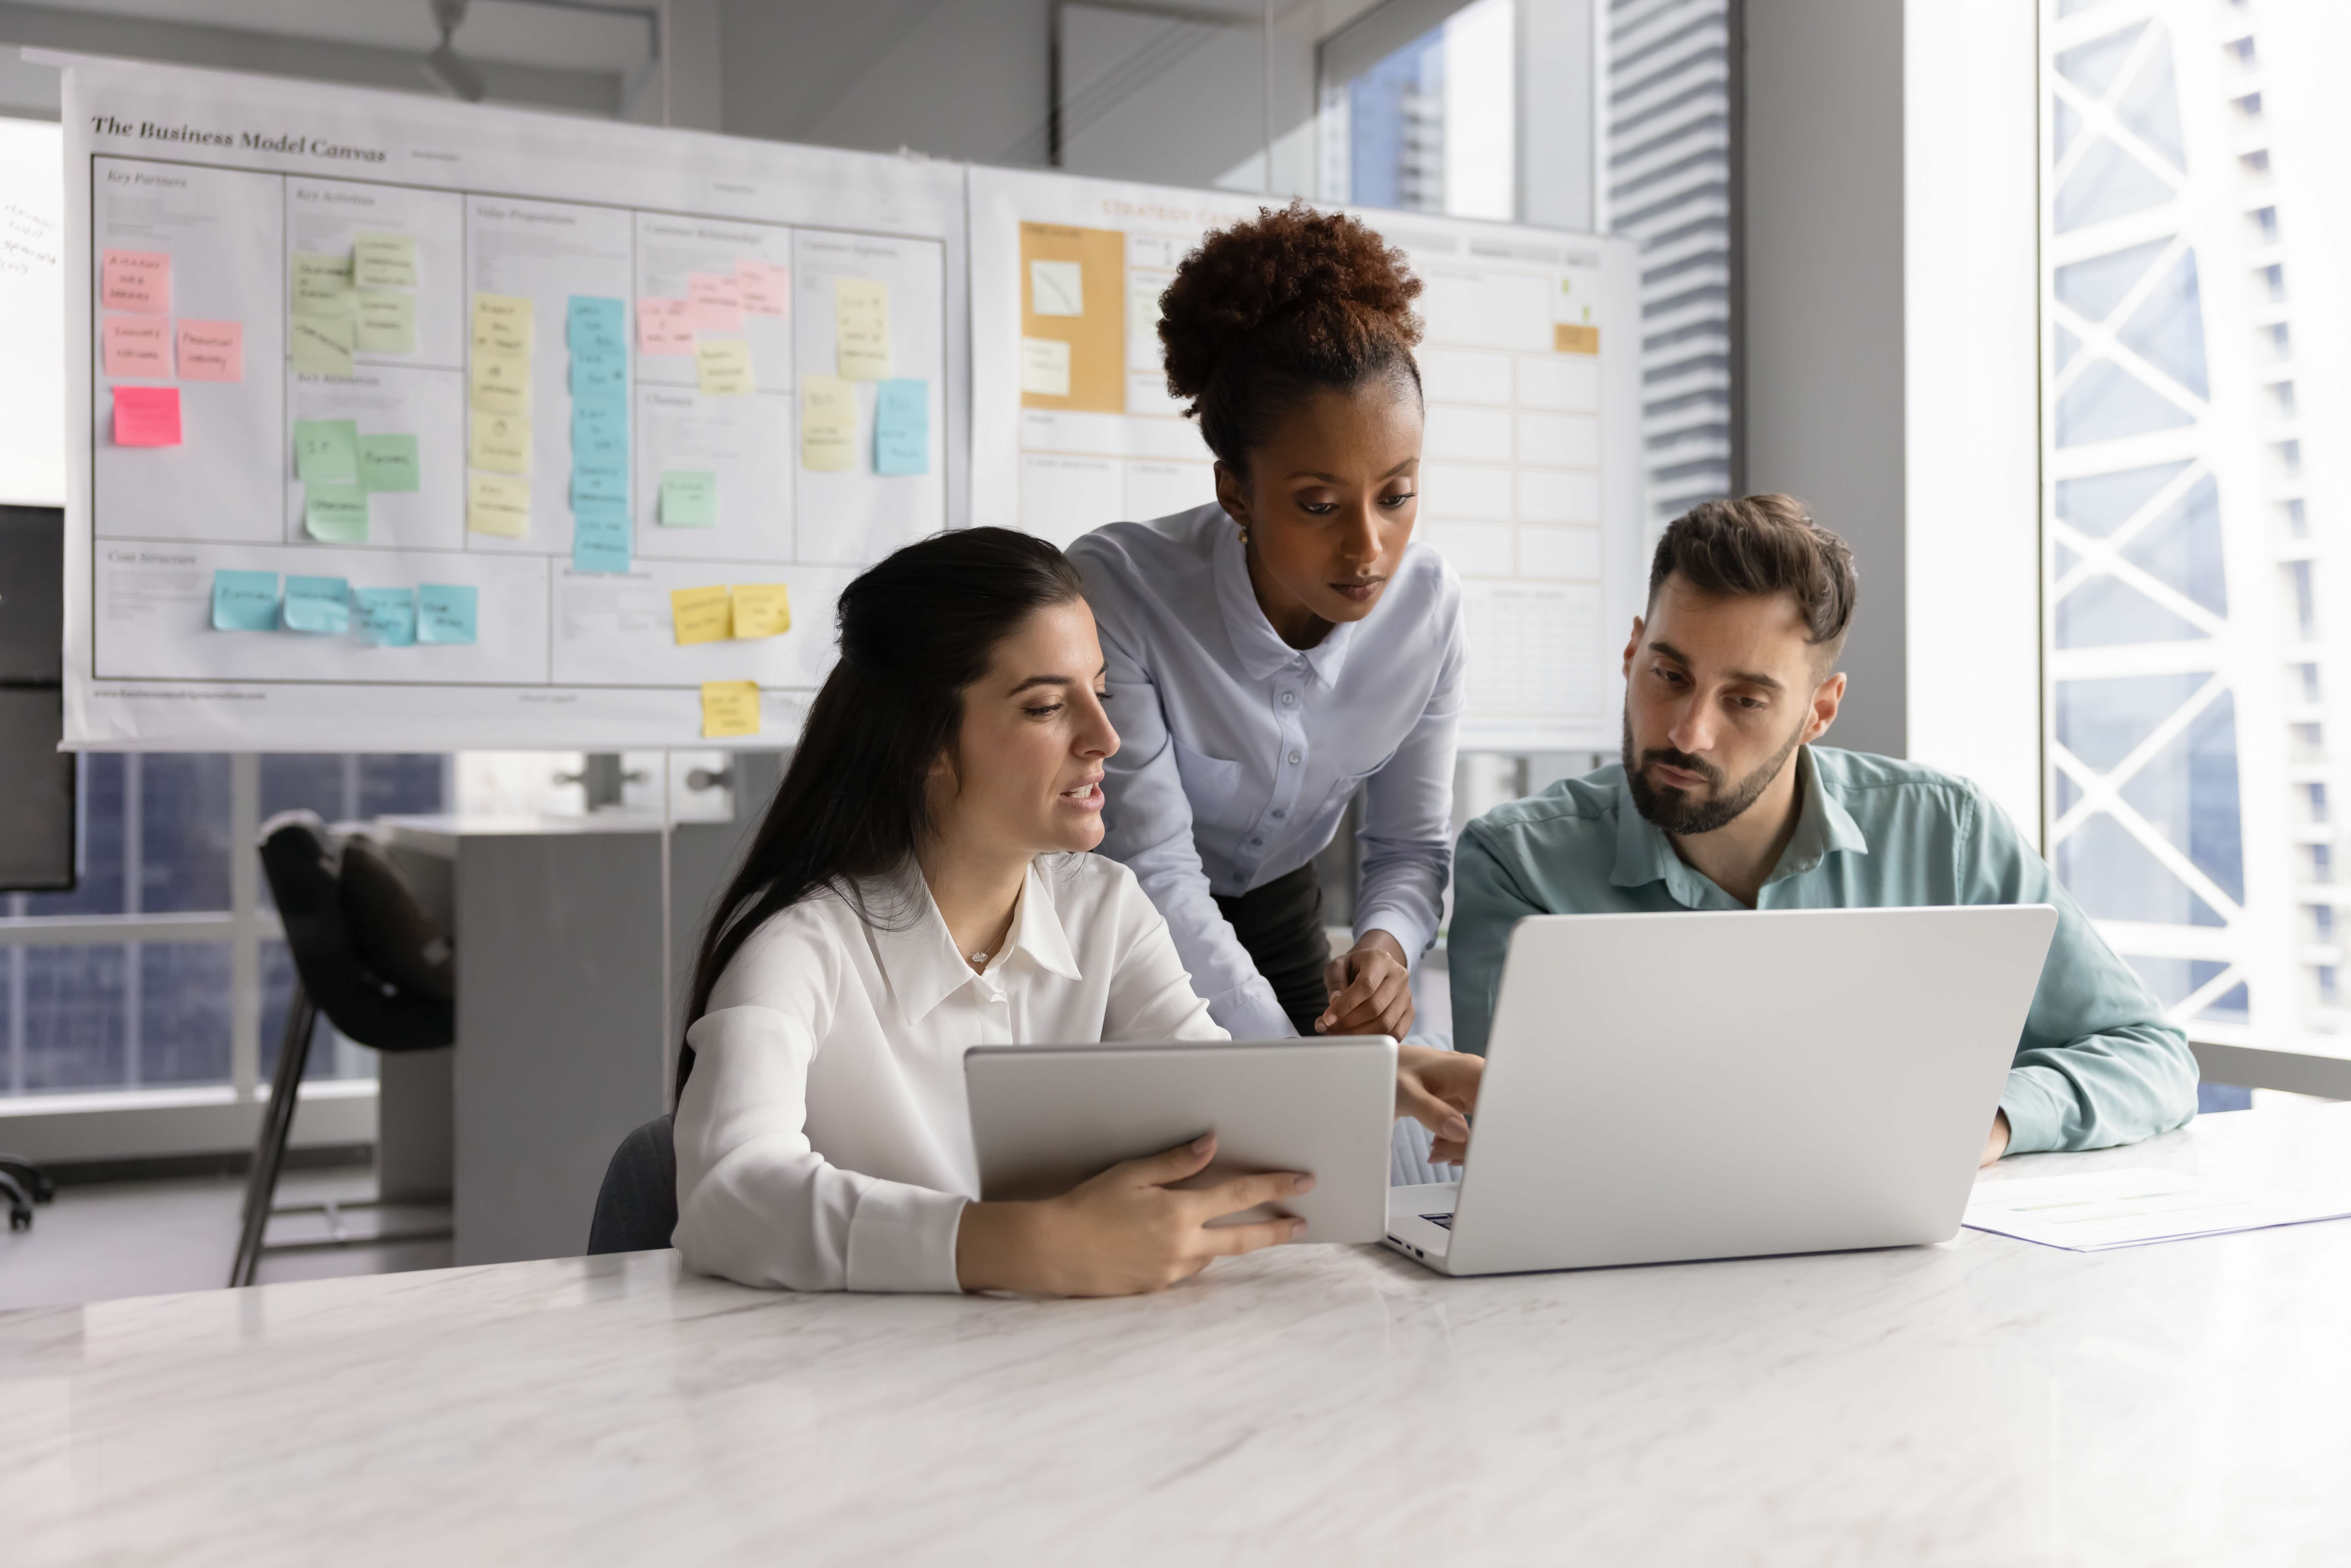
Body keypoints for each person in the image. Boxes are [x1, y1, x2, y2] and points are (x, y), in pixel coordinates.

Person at [672, 527, 1480, 1295]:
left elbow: (1215, 1106)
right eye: (1044, 707)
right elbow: (729, 1194)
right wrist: (1026, 1245)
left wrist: (1376, 1082)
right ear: (925, 743)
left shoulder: (1105, 909)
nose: (1106, 738)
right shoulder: (799, 948)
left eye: (1100, 693)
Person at [1447, 495, 2197, 1163]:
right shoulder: (1518, 864)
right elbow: (1515, 1145)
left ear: (1820, 710)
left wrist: (1992, 1120)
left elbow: (2151, 1057)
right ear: (1632, 652)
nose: (1687, 733)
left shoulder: (1949, 832)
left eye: (1745, 701)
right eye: (1669, 676)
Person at [1069, 202, 1465, 1047]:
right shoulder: (1123, 590)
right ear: (1237, 492)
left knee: (1354, 1151)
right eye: (1319, 504)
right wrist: (1296, 1074)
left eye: (1397, 496)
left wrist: (1386, 949)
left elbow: (1408, 845)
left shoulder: (1429, 607)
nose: (1370, 548)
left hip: (1281, 904)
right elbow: (1155, 870)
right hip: (1121, 916)